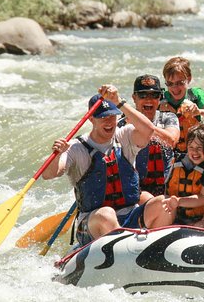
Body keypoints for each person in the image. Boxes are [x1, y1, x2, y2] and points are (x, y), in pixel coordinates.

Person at [41, 85, 170, 245]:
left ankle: (154, 248)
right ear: (91, 119)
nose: (109, 122)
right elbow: (49, 174)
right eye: (103, 117)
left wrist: (118, 101)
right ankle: (123, 250)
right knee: (107, 214)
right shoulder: (75, 147)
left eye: (112, 116)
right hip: (94, 223)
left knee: (164, 203)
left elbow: (148, 130)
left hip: (129, 216)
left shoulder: (124, 135)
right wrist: (58, 154)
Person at [117, 74, 180, 201]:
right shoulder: (122, 124)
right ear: (134, 98)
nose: (149, 100)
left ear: (160, 98)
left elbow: (171, 141)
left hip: (167, 188)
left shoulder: (169, 118)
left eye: (154, 95)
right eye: (143, 95)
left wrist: (143, 126)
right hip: (136, 190)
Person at [155, 124, 204, 226]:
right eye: (191, 147)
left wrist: (179, 202)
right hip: (174, 212)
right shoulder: (175, 160)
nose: (195, 151)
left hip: (197, 218)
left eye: (199, 148)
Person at [159, 56, 204, 152]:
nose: (175, 88)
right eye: (170, 84)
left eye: (180, 83)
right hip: (169, 149)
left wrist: (199, 111)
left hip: (194, 148)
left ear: (189, 79)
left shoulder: (195, 94)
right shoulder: (160, 98)